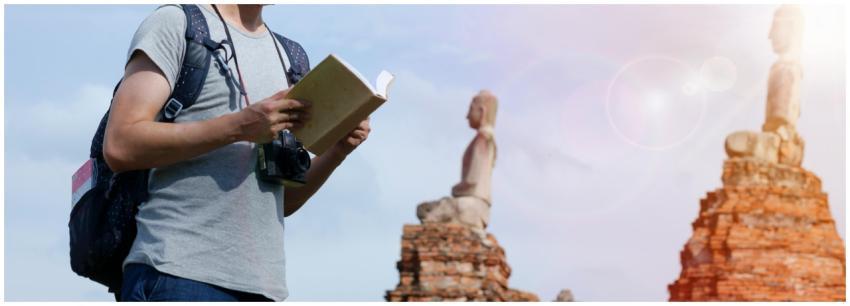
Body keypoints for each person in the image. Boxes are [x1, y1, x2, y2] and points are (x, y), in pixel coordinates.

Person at [104, 4, 371, 301]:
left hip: (264, 288)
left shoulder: (291, 57)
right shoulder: (177, 24)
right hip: (177, 274)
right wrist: (240, 126)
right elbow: (120, 144)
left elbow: (281, 202)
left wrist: (337, 151)